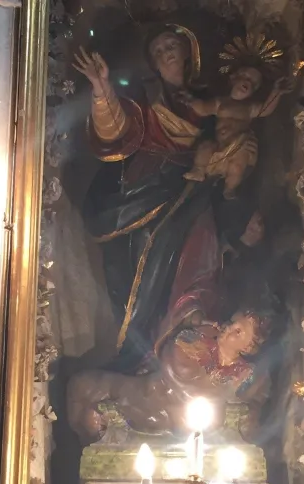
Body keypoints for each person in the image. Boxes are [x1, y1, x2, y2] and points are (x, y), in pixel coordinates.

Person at [74, 25, 254, 372]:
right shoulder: (147, 98)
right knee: (134, 257)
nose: (165, 53)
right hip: (143, 190)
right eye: (157, 51)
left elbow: (233, 138)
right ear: (153, 64)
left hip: (192, 189)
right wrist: (101, 87)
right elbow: (115, 131)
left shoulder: (212, 100)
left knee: (197, 251)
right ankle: (134, 352)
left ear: (189, 51)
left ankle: (176, 343)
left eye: (171, 45)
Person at [67, 304, 273, 445]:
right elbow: (181, 379)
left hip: (182, 425)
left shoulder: (248, 376)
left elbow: (250, 414)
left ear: (249, 347)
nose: (229, 328)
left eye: (238, 331)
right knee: (82, 387)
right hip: (148, 395)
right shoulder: (192, 341)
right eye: (231, 322)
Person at [182, 69, 293, 198]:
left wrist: (276, 92)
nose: (248, 83)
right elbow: (203, 108)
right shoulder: (220, 102)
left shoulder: (249, 108)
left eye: (253, 83)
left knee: (237, 166)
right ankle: (198, 170)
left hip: (239, 145)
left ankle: (230, 188)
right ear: (233, 78)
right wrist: (190, 101)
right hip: (220, 145)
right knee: (205, 147)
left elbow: (265, 110)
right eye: (245, 77)